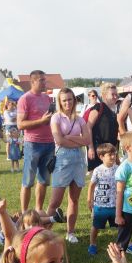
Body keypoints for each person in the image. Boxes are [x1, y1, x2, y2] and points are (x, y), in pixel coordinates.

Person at [47, 88, 91, 244]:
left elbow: (87, 140)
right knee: (55, 202)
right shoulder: (56, 118)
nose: (67, 103)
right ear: (60, 102)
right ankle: (45, 234)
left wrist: (69, 137)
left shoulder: (80, 119)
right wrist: (77, 140)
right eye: (64, 100)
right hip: (62, 160)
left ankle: (70, 232)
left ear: (74, 100)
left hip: (78, 161)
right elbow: (59, 140)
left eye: (70, 99)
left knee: (74, 199)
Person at [17, 70, 55, 214]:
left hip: (49, 143)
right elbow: (20, 124)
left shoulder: (47, 98)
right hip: (32, 144)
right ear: (33, 82)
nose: (45, 83)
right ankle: (25, 213)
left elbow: (49, 119)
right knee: (28, 181)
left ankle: (39, 210)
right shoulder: (25, 99)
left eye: (45, 80)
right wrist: (41, 121)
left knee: (44, 180)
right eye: (42, 80)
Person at [87, 143, 119, 256]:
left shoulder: (118, 169)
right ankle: (92, 244)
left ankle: (125, 243)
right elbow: (91, 185)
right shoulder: (97, 170)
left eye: (114, 154)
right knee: (96, 226)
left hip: (115, 205)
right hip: (100, 205)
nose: (113, 157)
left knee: (120, 225)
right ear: (101, 157)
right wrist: (89, 200)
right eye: (110, 155)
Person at [86, 83, 121, 171]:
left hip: (110, 150)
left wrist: (116, 154)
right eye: (112, 94)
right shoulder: (98, 108)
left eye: (116, 94)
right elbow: (88, 127)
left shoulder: (114, 110)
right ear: (105, 95)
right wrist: (90, 148)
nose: (115, 97)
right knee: (98, 175)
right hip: (98, 150)